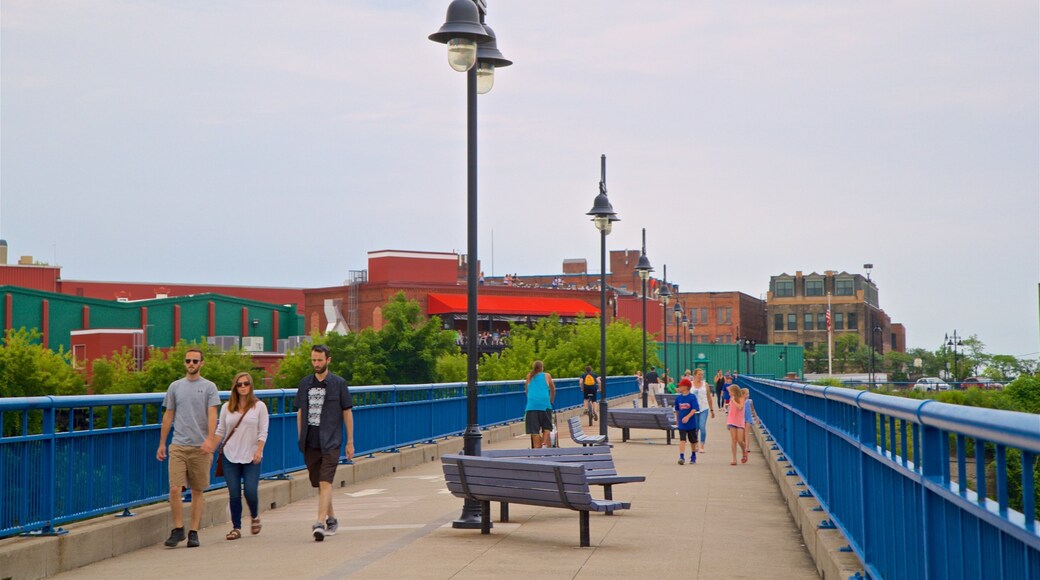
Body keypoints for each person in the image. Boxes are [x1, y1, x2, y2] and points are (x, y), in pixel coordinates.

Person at [156, 348, 220, 548]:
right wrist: (162, 443)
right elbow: (168, 415)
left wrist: (210, 440)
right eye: (188, 361)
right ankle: (178, 528)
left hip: (200, 447)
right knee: (175, 488)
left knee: (197, 490)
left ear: (201, 363)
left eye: (195, 361)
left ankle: (193, 531)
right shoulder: (175, 387)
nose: (191, 364)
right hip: (179, 445)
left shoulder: (209, 387)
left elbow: (212, 414)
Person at [296, 344, 355, 542]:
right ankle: (332, 519)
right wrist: (300, 437)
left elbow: (347, 412)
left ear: (328, 360)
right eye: (313, 360)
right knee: (319, 484)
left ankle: (319, 523)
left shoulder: (339, 383)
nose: (316, 364)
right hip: (310, 440)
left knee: (325, 481)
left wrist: (350, 442)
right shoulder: (305, 383)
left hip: (331, 440)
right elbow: (300, 412)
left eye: (320, 360)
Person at [213, 371, 269, 541]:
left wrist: (259, 450)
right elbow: (220, 431)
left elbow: (263, 431)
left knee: (250, 491)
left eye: (246, 384)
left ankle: (254, 516)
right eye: (239, 384)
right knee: (234, 493)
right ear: (235, 387)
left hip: (251, 456)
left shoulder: (259, 406)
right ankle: (236, 527)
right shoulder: (226, 407)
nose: (243, 387)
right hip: (230, 455)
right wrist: (210, 447)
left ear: (251, 386)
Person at [524, 360, 556, 448]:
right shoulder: (547, 376)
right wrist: (551, 401)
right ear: (542, 368)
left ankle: (537, 449)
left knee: (534, 431)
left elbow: (527, 391)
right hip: (545, 405)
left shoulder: (529, 376)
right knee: (547, 427)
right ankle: (544, 443)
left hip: (532, 406)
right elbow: (553, 390)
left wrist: (532, 400)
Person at [673, 378, 700, 465]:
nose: (679, 387)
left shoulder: (692, 397)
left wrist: (688, 417)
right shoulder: (678, 398)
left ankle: (693, 455)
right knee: (682, 439)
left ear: (686, 387)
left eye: (681, 386)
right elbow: (677, 410)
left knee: (692, 441)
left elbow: (694, 409)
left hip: (691, 423)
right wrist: (677, 419)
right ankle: (681, 456)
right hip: (682, 424)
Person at [690, 369, 715, 452]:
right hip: (694, 409)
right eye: (699, 374)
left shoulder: (705, 384)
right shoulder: (690, 385)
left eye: (701, 374)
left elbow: (709, 397)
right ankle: (696, 443)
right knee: (695, 428)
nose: (700, 376)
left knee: (702, 427)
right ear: (695, 375)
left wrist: (712, 410)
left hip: (704, 408)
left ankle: (702, 445)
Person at [726, 384, 748, 466]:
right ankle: (734, 459)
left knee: (740, 440)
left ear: (734, 392)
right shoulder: (731, 399)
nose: (729, 393)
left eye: (730, 392)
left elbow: (740, 407)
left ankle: (744, 450)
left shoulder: (741, 398)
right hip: (732, 421)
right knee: (733, 440)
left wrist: (734, 401)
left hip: (739, 422)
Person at [741, 387, 757, 454]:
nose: (748, 395)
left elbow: (753, 410)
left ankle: (747, 447)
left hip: (748, 418)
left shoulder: (750, 401)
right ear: (742, 394)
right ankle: (744, 445)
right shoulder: (740, 401)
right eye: (746, 394)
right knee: (742, 434)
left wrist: (756, 417)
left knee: (746, 433)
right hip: (741, 419)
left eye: (748, 394)